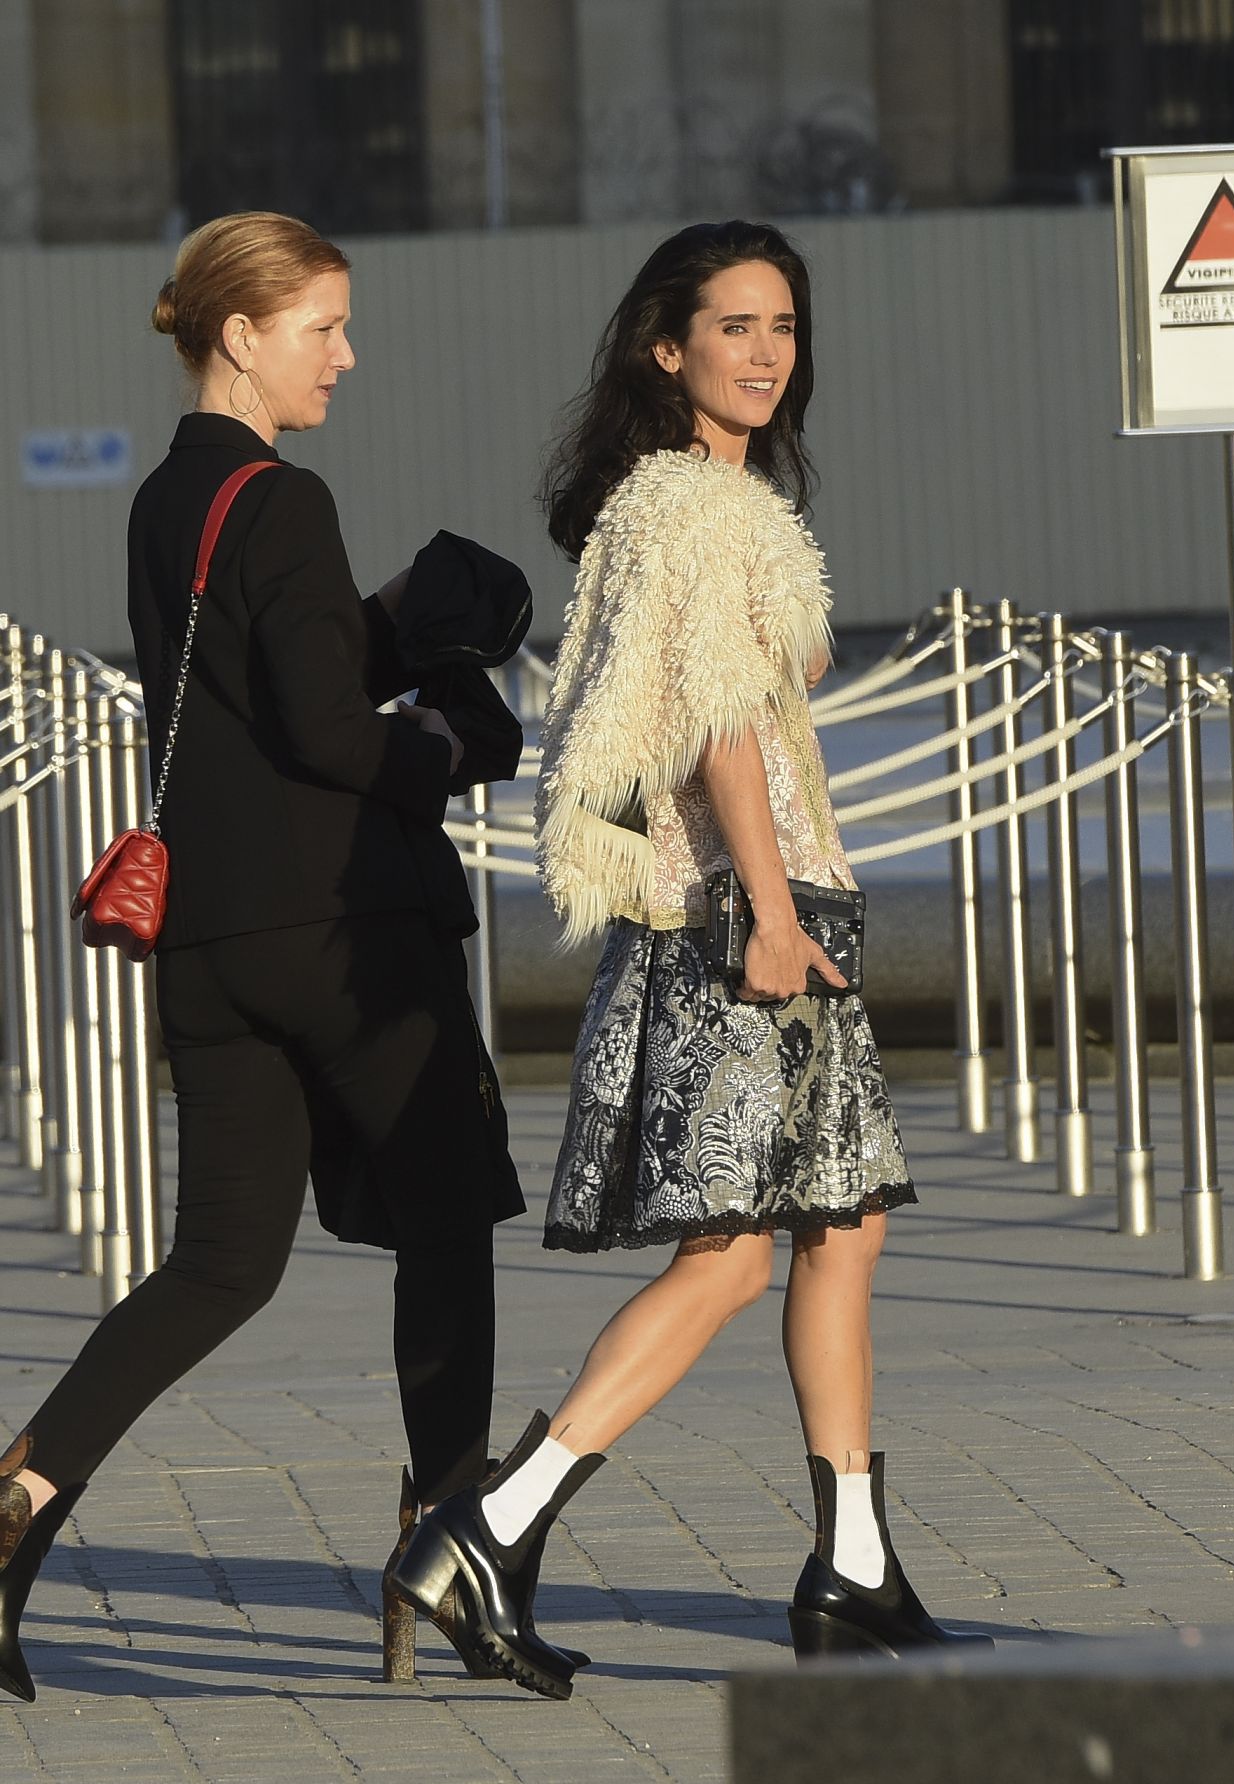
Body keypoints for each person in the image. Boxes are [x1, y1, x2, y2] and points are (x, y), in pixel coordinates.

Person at [389, 221, 993, 1699]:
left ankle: (851, 1563)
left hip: (776, 901)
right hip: (739, 917)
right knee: (727, 1256)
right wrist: (777, 916)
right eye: (736, 326)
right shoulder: (695, 509)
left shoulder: (691, 503)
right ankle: (490, 1526)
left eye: (785, 325)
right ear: (669, 349)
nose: (770, 352)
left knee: (841, 1224)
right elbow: (722, 719)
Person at [0, 211, 530, 1703]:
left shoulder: (170, 499)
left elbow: (253, 681)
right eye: (323, 329)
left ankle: (18, 1507)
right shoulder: (283, 497)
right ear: (241, 333)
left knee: (222, 1262)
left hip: (209, 947)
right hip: (336, 934)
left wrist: (376, 632)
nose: (345, 357)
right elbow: (316, 731)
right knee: (445, 1213)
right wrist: (441, 733)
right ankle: (450, 1544)